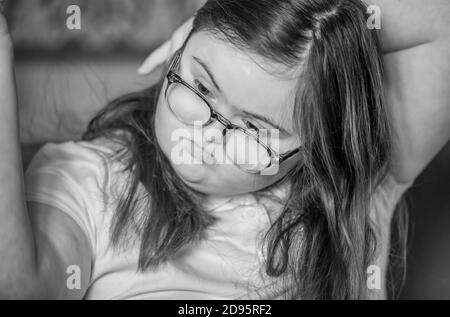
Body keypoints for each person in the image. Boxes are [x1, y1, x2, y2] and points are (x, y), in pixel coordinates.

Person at [0, 0, 449, 299]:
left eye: (254, 130)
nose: (206, 136)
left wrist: (317, 24)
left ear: (319, 146)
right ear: (179, 54)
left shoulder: (352, 201)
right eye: (200, 86)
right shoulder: (90, 180)